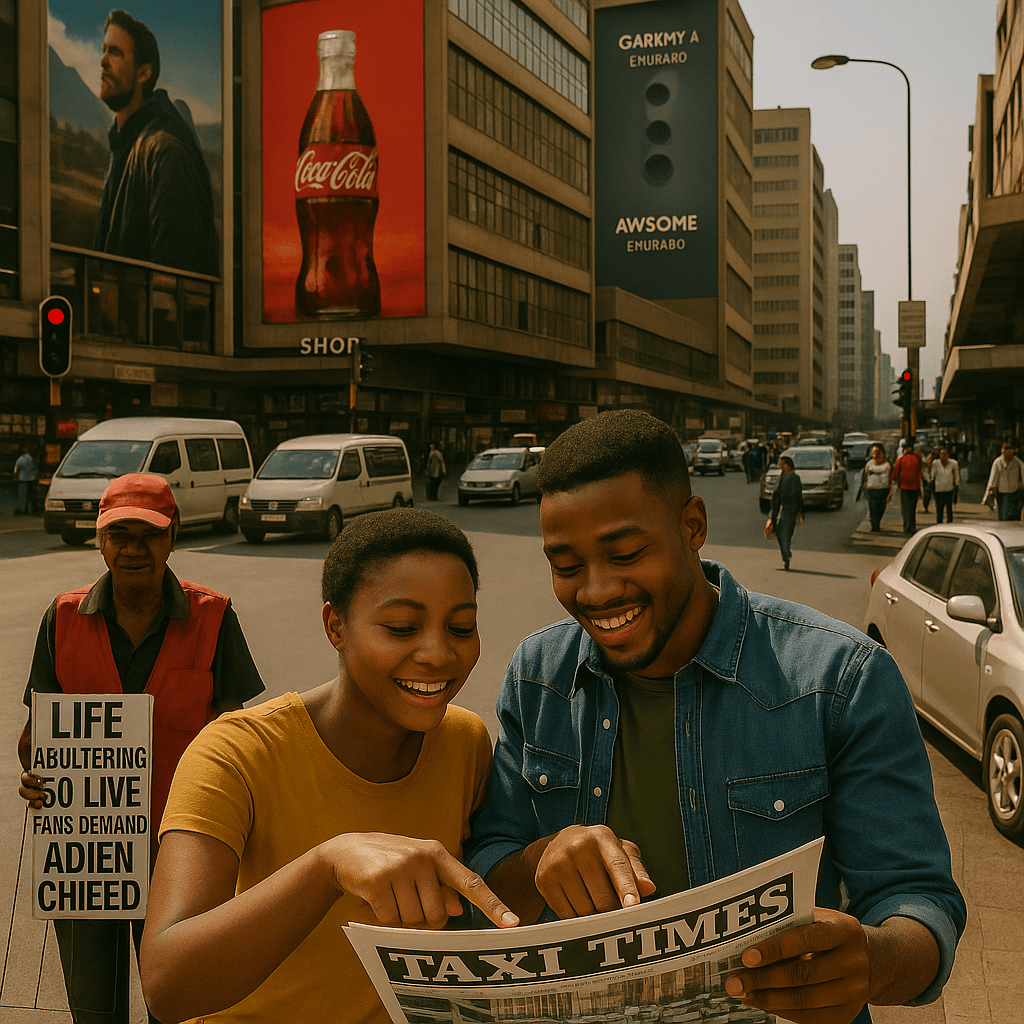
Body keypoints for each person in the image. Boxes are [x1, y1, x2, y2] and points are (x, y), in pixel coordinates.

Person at [465, 410, 965, 1024]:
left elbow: (917, 896)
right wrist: (542, 857)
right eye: (566, 566)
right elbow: (489, 865)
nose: (594, 592)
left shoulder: (841, 679)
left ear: (693, 526)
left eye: (624, 553)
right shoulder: (538, 674)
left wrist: (878, 959)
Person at [139, 508, 517, 1024]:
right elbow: (167, 985)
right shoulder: (235, 753)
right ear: (335, 625)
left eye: (461, 627)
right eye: (402, 628)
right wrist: (327, 866)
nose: (437, 653)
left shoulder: (463, 740)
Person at [17, 473, 265, 1024]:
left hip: (183, 857)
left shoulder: (213, 618)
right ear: (99, 540)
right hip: (88, 858)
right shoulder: (60, 619)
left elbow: (238, 739)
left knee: (174, 1007)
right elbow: (36, 735)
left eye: (147, 534)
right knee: (93, 1010)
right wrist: (36, 771)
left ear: (172, 535)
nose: (132, 548)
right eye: (118, 534)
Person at [93, 9, 219, 276]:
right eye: (103, 50)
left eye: (115, 52)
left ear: (144, 73)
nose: (103, 61)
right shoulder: (124, 147)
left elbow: (174, 280)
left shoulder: (164, 152)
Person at [768, 454, 803, 570]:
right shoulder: (781, 477)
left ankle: (786, 555)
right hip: (778, 510)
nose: (780, 466)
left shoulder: (795, 478)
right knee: (778, 532)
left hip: (790, 510)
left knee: (786, 534)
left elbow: (797, 496)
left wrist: (800, 513)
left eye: (782, 464)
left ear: (787, 465)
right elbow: (776, 494)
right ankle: (785, 555)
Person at [982, 440, 1024, 521]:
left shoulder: (1017, 463)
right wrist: (988, 494)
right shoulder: (997, 462)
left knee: (1014, 516)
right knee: (1003, 516)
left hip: (1014, 493)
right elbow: (993, 479)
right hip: (1002, 494)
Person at [890, 439, 923, 535]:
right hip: (914, 487)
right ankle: (911, 527)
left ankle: (906, 526)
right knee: (912, 508)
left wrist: (890, 480)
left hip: (904, 486)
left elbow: (895, 471)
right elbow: (920, 470)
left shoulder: (901, 459)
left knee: (905, 508)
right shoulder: (917, 457)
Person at [863, 443, 892, 532]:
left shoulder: (887, 465)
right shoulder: (869, 464)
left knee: (881, 508)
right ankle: (874, 526)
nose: (875, 454)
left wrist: (890, 492)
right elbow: (865, 476)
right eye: (873, 452)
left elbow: (891, 479)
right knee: (873, 508)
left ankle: (877, 522)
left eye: (877, 452)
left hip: (883, 490)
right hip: (872, 490)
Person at [931, 448, 960, 525]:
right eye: (942, 454)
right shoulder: (936, 463)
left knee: (949, 507)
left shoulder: (953, 463)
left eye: (945, 454)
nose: (943, 455)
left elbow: (956, 474)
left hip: (949, 488)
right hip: (939, 488)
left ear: (948, 455)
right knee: (939, 507)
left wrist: (957, 483)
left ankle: (949, 522)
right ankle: (939, 522)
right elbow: (932, 475)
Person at [13, 444, 38, 515]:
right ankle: (32, 508)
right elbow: (35, 469)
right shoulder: (31, 459)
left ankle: (22, 509)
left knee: (22, 495)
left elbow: (15, 470)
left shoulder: (20, 459)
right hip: (31, 479)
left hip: (22, 479)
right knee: (31, 495)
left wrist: (16, 477)